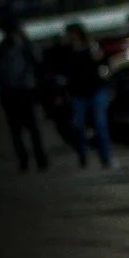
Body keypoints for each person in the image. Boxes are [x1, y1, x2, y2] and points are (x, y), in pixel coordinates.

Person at [45, 24, 113, 169]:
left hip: (95, 89)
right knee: (79, 126)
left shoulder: (91, 47)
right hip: (78, 93)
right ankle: (83, 156)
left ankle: (105, 157)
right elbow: (60, 69)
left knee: (100, 125)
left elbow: (103, 63)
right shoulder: (67, 52)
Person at [0, 13, 48, 171]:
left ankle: (38, 159)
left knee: (30, 127)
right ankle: (26, 160)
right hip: (12, 90)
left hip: (24, 89)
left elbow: (37, 61)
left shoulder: (24, 45)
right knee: (18, 129)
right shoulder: (3, 48)